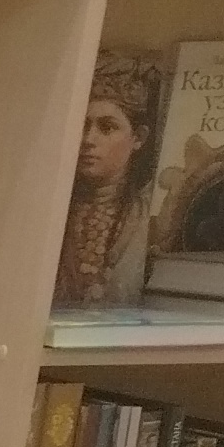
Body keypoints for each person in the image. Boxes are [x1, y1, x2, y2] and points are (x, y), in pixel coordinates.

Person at [58, 51, 164, 307]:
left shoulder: (145, 216)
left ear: (138, 137)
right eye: (82, 126)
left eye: (107, 128)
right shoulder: (54, 213)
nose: (88, 140)